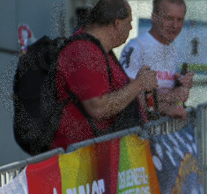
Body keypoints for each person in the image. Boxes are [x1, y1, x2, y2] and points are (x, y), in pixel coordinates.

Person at [53, 0, 156, 149]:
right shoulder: (83, 51)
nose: (131, 27)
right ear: (117, 23)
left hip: (103, 155)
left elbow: (118, 95)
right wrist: (139, 84)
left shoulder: (101, 51)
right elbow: (98, 108)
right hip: (82, 159)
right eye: (129, 22)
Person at [119, 0, 194, 120]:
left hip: (162, 132)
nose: (175, 25)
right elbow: (128, 99)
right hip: (137, 134)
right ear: (154, 17)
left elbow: (170, 93)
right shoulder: (136, 47)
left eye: (179, 19)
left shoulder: (174, 51)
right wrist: (170, 99)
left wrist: (182, 86)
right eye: (169, 18)